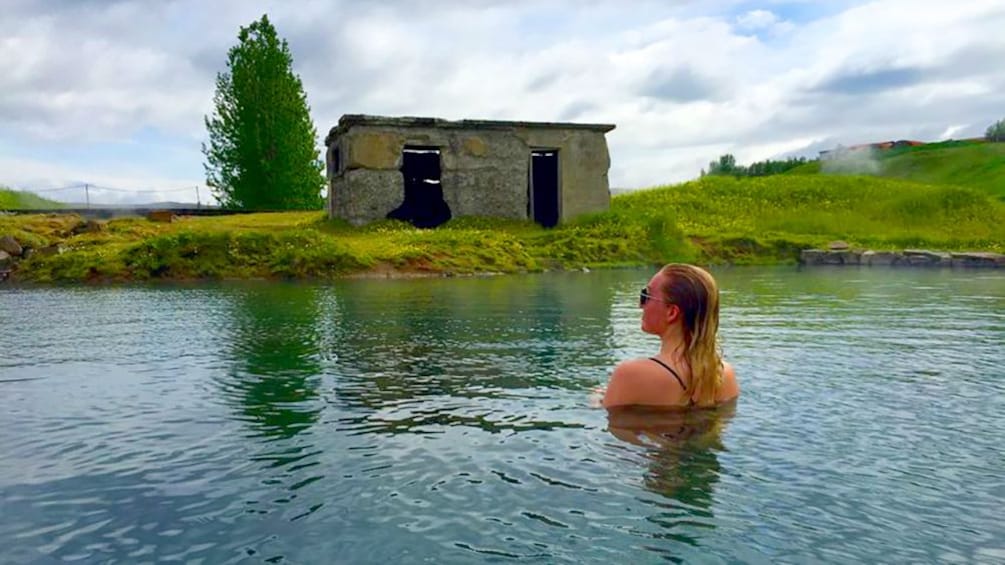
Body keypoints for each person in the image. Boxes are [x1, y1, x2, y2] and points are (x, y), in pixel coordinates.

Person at [601, 263, 739, 409]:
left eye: (646, 296)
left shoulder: (629, 374)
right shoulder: (725, 374)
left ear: (671, 312)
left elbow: (617, 429)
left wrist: (598, 400)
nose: (640, 306)